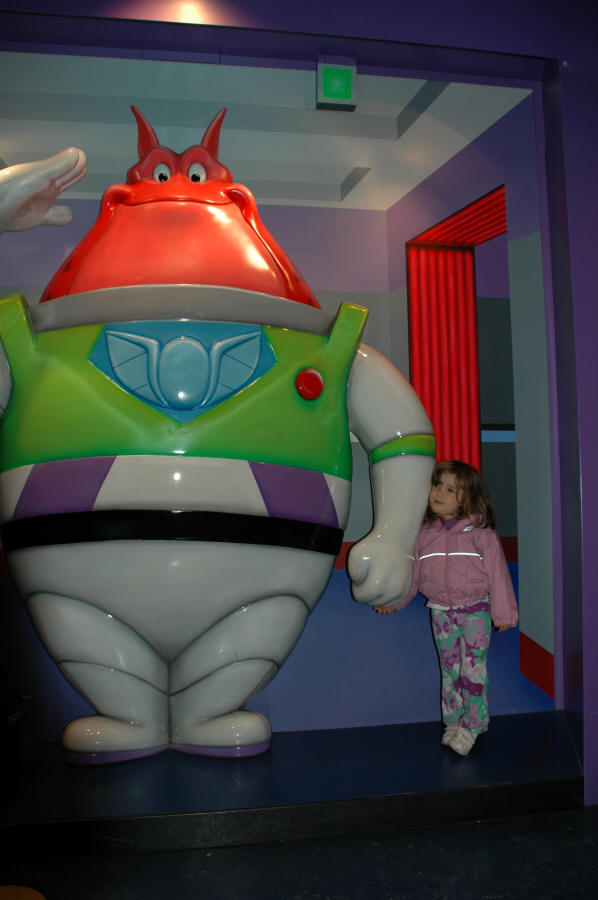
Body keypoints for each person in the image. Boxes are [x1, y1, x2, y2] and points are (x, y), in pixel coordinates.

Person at [375, 459, 518, 757]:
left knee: (472, 672)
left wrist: (504, 612)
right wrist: (395, 602)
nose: (439, 493)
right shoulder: (425, 534)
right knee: (449, 671)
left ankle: (474, 725)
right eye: (437, 485)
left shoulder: (482, 535)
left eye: (450, 489)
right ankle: (453, 722)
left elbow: (498, 576)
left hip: (475, 611)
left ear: (467, 497)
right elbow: (414, 577)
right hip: (440, 612)